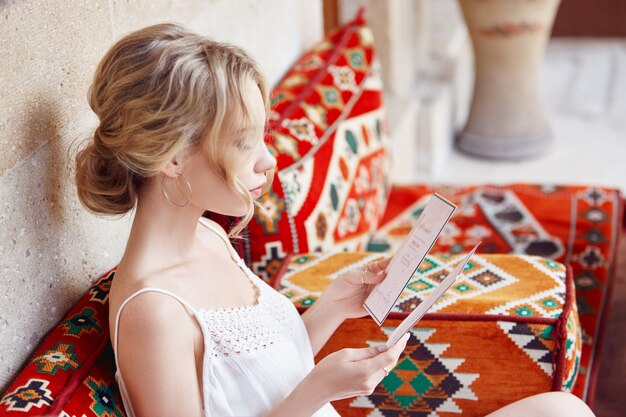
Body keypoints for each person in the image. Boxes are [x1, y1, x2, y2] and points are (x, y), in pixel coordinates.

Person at [74, 23, 596, 417]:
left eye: (263, 135)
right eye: (242, 142)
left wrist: (332, 307)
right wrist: (318, 391)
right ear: (172, 158)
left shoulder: (209, 235)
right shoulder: (154, 313)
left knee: (562, 410)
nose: (267, 160)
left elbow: (256, 377)